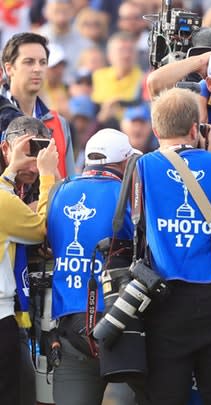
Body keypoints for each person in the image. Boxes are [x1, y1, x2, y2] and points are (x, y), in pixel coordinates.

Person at [136, 87, 211, 405]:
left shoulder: (141, 166)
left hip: (164, 297)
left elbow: (133, 225)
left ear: (156, 131)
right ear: (196, 129)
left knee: (166, 395)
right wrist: (210, 153)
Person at [48, 129, 136, 405]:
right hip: (118, 322)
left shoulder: (59, 190)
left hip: (68, 325)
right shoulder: (128, 194)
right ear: (124, 163)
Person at [0, 118, 58, 404]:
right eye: (28, 152)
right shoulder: (5, 193)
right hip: (8, 311)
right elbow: (40, 228)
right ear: (4, 150)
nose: (34, 164)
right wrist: (48, 180)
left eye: (41, 151)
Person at [1, 32, 75, 177]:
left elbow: (68, 183)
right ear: (9, 68)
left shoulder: (58, 122)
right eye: (29, 62)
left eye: (43, 62)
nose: (37, 69)